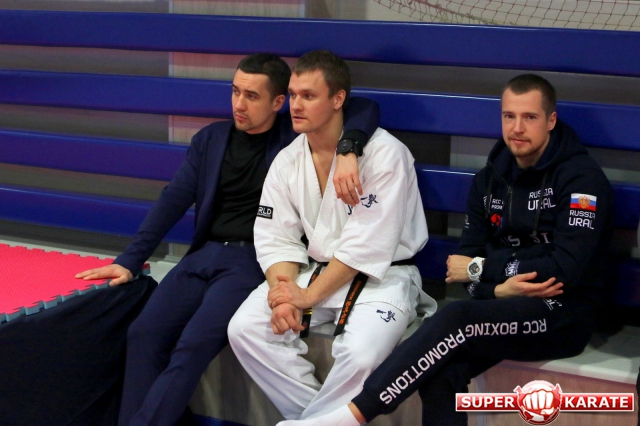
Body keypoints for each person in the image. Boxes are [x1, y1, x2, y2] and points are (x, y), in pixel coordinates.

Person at [276, 73, 614, 426]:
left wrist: (483, 269)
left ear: (551, 120)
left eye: (529, 117)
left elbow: (564, 268)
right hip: (502, 305)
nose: (517, 128)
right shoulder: (489, 179)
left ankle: (353, 415)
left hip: (563, 313)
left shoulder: (581, 179)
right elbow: (460, 271)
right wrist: (498, 289)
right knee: (441, 370)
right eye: (509, 116)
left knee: (456, 317)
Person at [75, 53, 380, 426]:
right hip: (203, 255)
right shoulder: (211, 139)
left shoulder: (293, 138)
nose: (239, 104)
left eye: (251, 96)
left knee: (194, 343)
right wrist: (129, 260)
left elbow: (364, 107)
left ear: (278, 102)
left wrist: (349, 148)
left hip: (252, 261)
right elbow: (173, 200)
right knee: (144, 333)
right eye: (235, 92)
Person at [227, 50, 437, 422]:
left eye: (308, 96)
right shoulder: (288, 159)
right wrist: (284, 294)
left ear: (338, 99)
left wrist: (307, 297)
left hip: (384, 277)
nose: (295, 105)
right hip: (315, 272)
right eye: (293, 95)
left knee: (361, 354)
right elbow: (276, 238)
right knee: (245, 329)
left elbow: (365, 247)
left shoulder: (385, 155)